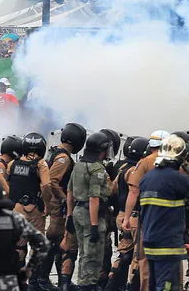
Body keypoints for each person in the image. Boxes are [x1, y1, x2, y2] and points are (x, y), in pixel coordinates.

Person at [138, 134, 189, 291]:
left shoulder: (147, 178)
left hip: (150, 241)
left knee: (154, 285)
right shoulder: (176, 179)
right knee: (167, 287)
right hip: (167, 244)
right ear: (181, 158)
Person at [64, 132, 113, 291]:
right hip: (91, 214)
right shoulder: (97, 168)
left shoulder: (78, 165)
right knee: (93, 255)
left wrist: (70, 215)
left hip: (78, 211)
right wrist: (94, 225)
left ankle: (83, 283)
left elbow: (70, 191)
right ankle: (87, 286)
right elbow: (94, 197)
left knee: (84, 253)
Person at [40, 123, 85, 291]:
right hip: (57, 205)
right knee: (55, 241)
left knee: (58, 242)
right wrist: (65, 199)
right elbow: (52, 181)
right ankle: (43, 279)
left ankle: (58, 279)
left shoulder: (54, 152)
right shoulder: (63, 158)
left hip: (53, 203)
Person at [122, 129, 168, 291]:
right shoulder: (177, 162)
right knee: (170, 259)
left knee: (145, 259)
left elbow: (133, 191)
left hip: (148, 218)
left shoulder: (144, 163)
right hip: (170, 219)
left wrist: (127, 218)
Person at [8, 132, 53, 291]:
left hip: (15, 209)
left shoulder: (13, 163)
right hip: (34, 210)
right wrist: (46, 204)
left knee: (19, 245)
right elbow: (47, 186)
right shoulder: (41, 164)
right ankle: (33, 283)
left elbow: (8, 184)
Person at [107, 136, 148, 291]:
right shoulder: (135, 171)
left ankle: (112, 286)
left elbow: (112, 189)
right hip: (134, 216)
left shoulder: (121, 167)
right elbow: (134, 192)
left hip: (123, 215)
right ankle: (131, 287)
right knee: (137, 256)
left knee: (124, 253)